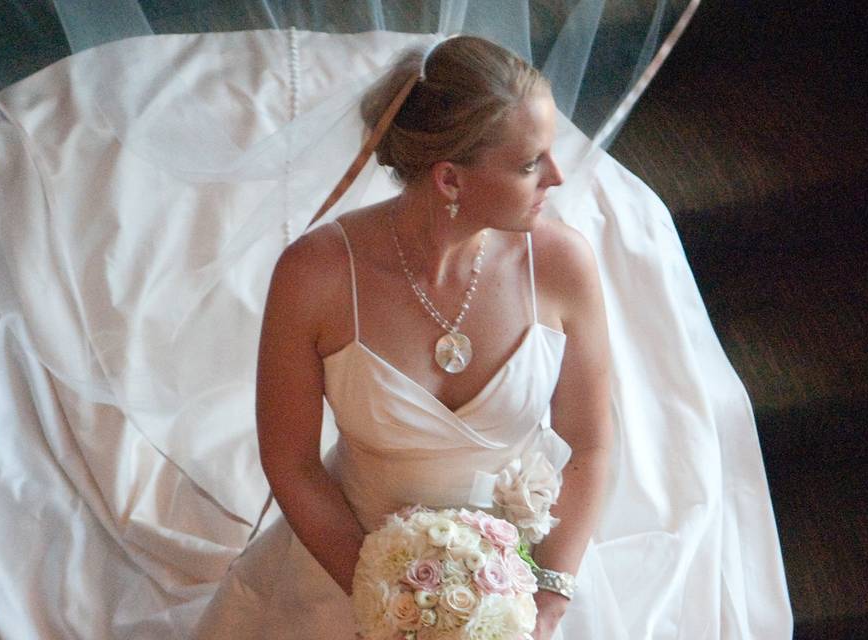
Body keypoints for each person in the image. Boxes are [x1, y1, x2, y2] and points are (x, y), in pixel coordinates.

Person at [195, 35, 614, 639]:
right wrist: (385, 602)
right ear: (449, 180)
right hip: (348, 564)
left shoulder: (560, 264)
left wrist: (544, 600)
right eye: (529, 164)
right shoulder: (315, 275)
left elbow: (591, 445)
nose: (557, 175)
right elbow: (290, 461)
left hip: (524, 580)